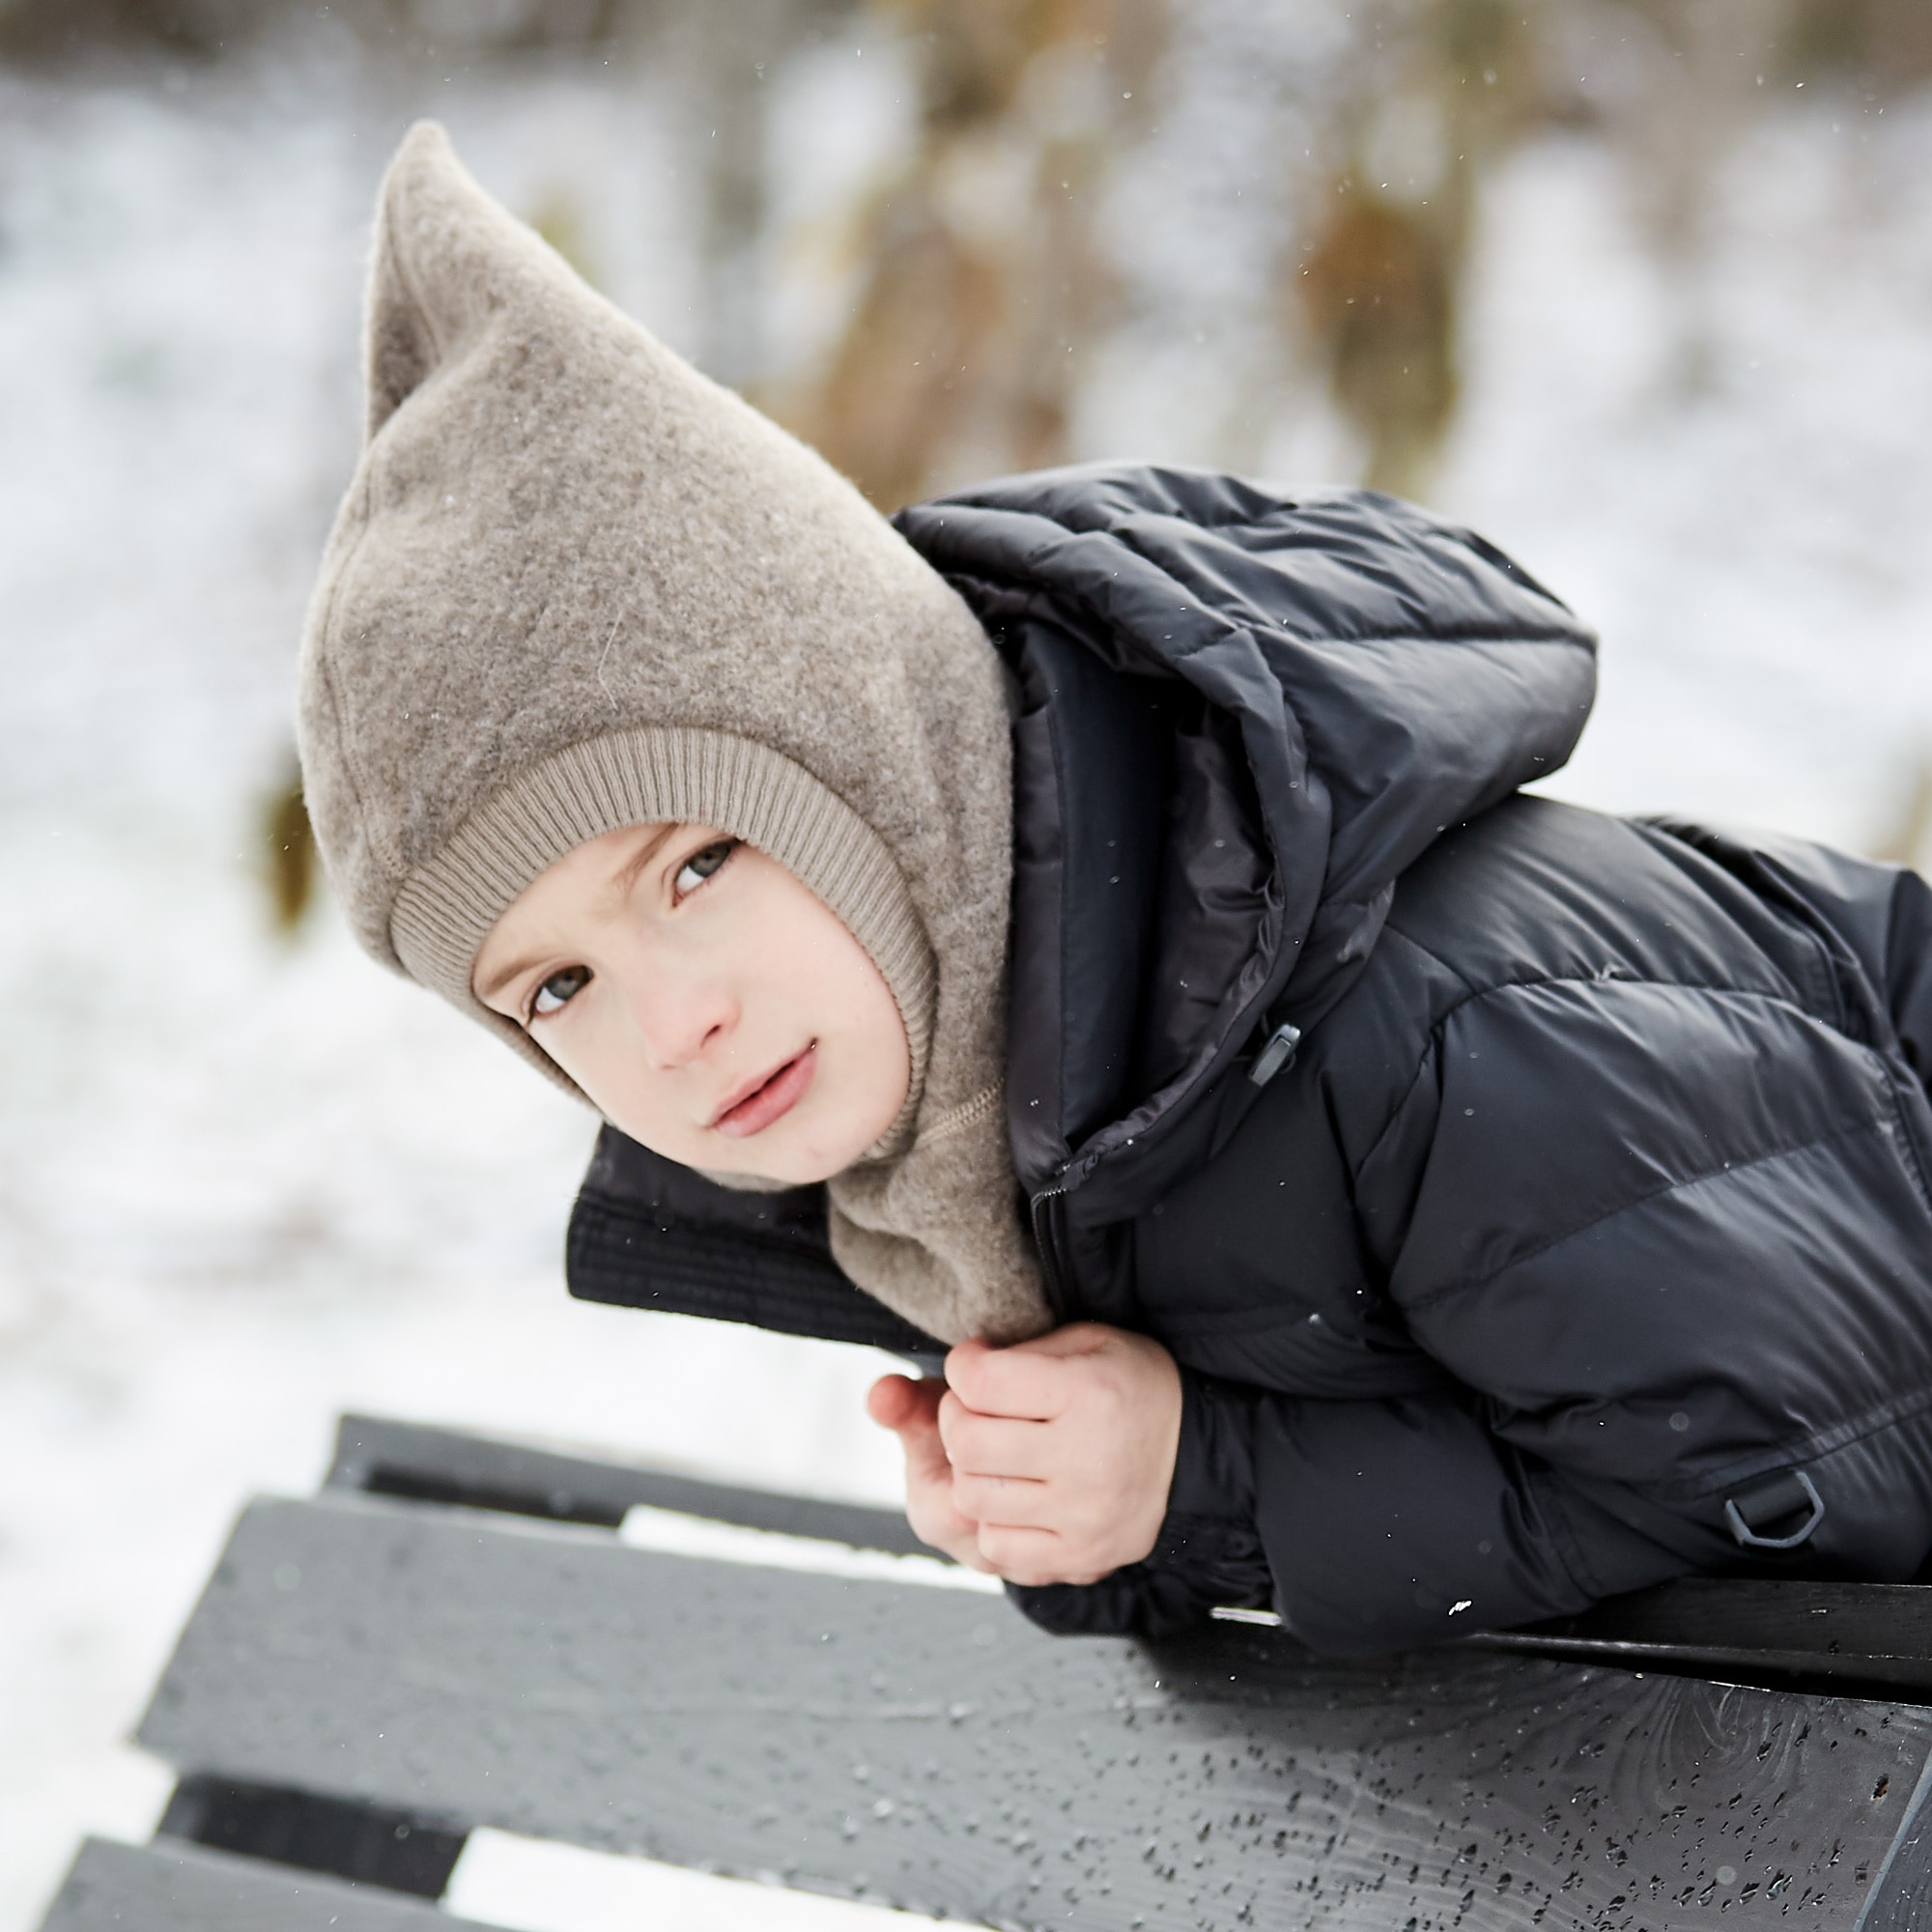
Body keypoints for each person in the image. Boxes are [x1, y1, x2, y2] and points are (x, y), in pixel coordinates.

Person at [298, 122, 1932, 1659]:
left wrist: (1200, 1480)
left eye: (701, 862)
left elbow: (1828, 1508)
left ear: (885, 773)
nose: (672, 1022)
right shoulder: (975, 1116)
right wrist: (1081, 1514)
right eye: (554, 991)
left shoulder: (1415, 1036)